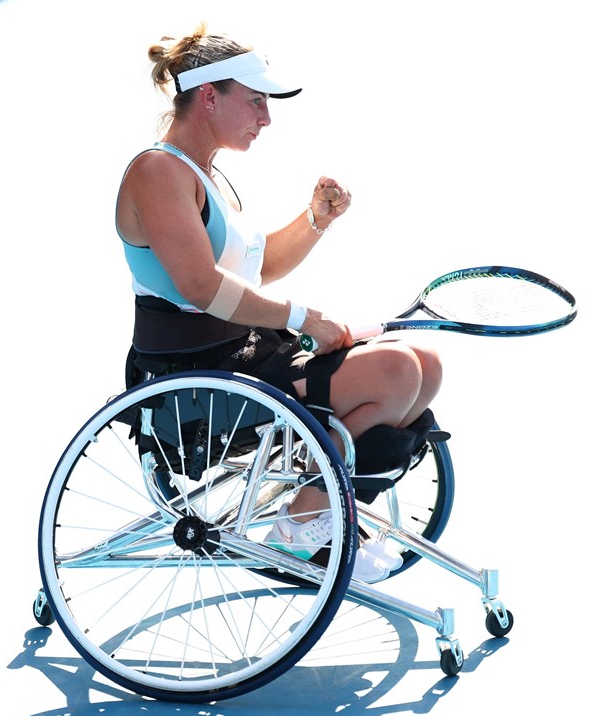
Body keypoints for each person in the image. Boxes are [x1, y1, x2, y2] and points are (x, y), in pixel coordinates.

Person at [115, 24, 442, 582]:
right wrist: (303, 318)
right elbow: (201, 286)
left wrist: (316, 220)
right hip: (199, 382)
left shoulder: (205, 176)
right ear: (210, 95)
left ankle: (317, 512)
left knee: (425, 366)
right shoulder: (157, 172)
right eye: (255, 100)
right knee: (392, 371)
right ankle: (301, 526)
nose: (265, 117)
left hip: (248, 356)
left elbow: (256, 269)